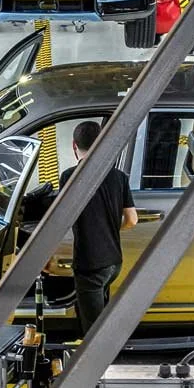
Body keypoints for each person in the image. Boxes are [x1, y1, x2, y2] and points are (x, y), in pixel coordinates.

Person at [68, 119, 137, 335]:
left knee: (93, 331)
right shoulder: (119, 177)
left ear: (74, 146)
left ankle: (98, 365)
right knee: (100, 316)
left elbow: (63, 219)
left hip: (90, 264)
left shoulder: (69, 177)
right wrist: (108, 229)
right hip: (113, 263)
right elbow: (132, 220)